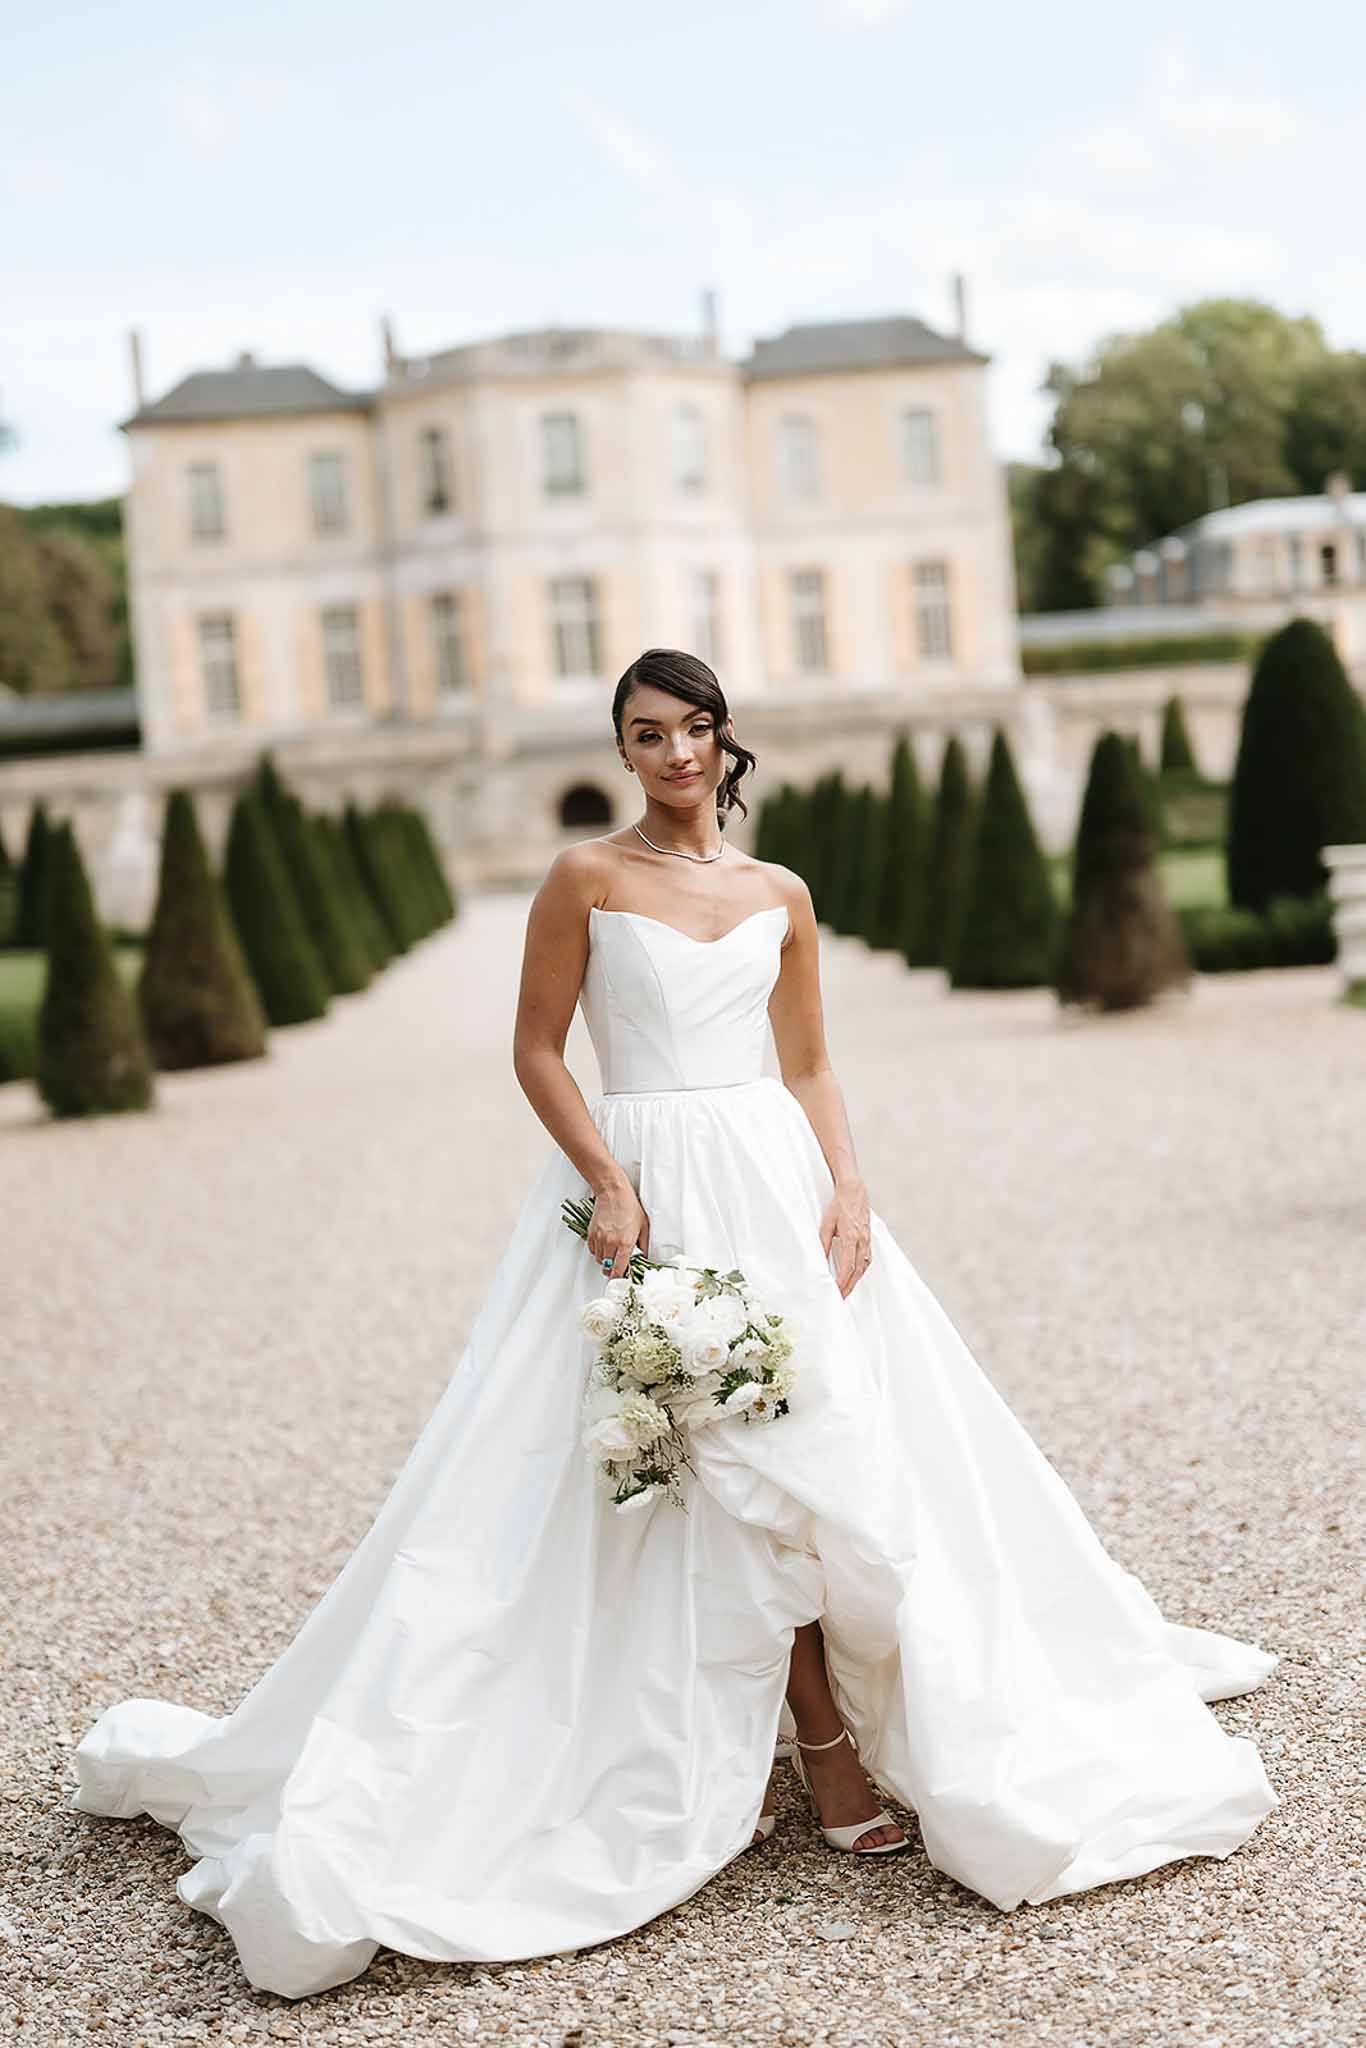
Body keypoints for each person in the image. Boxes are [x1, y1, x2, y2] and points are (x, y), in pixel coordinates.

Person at [71, 648, 1278, 2002]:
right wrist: (606, 1179)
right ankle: (799, 1747)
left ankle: (830, 1728)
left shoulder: (780, 892)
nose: (675, 754)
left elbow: (810, 1058)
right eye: (646, 734)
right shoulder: (584, 878)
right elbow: (536, 1048)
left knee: (817, 1446)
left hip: (772, 1178)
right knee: (683, 1456)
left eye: (694, 729)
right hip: (638, 1184)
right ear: (624, 749)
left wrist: (853, 1189)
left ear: (721, 739)